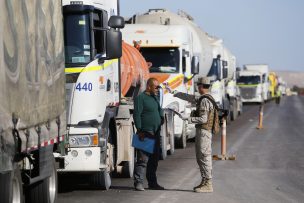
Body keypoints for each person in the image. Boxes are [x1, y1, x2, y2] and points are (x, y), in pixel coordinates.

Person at [173, 77, 217, 193]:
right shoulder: (205, 98)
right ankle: (204, 180)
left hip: (204, 132)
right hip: (202, 131)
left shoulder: (205, 100)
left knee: (204, 157)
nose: (197, 87)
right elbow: (191, 98)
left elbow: (203, 118)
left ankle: (208, 183)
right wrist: (176, 93)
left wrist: (187, 118)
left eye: (198, 85)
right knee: (200, 157)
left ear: (201, 86)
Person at [133, 78, 165, 191]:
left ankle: (153, 183)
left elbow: (159, 110)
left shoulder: (154, 97)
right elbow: (137, 115)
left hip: (155, 133)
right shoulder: (140, 98)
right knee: (142, 160)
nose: (157, 89)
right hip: (145, 133)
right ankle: (138, 183)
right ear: (148, 86)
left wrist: (161, 117)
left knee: (154, 160)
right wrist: (140, 130)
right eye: (156, 87)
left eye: (158, 87)